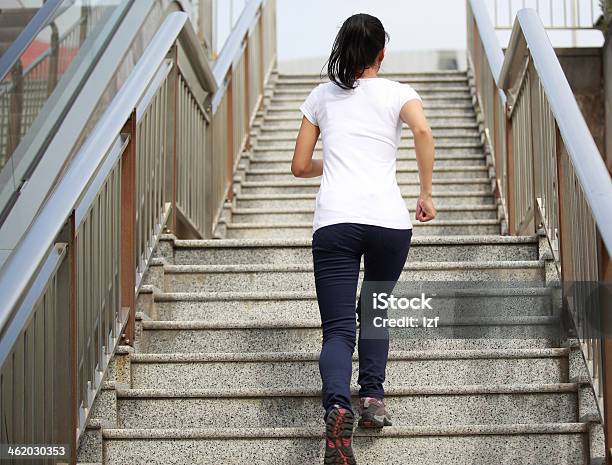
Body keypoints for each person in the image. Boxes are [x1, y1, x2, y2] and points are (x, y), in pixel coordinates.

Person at [291, 12, 436, 465]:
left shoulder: (321, 97)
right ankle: (372, 398)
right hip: (388, 221)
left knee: (338, 329)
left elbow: (298, 166)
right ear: (381, 52)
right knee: (374, 308)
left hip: (335, 221)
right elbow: (423, 132)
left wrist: (331, 165)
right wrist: (426, 192)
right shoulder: (399, 93)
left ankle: (337, 407)